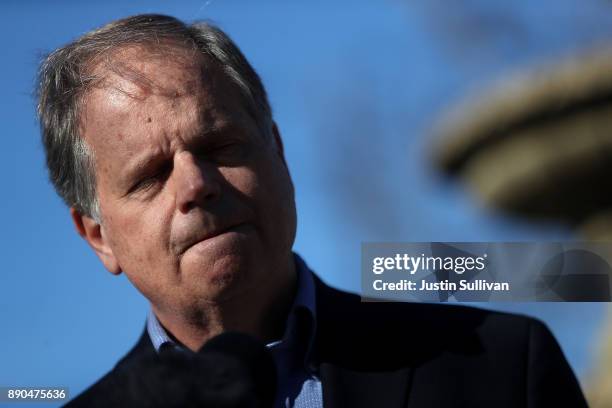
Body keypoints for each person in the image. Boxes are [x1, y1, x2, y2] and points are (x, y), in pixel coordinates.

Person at [37, 14, 587, 408]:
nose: (196, 185)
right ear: (97, 235)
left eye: (220, 147)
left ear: (277, 151)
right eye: (151, 175)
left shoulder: (505, 364)